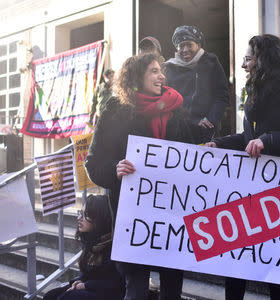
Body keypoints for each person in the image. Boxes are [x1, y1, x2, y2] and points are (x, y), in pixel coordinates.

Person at [205, 34, 280, 300]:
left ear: (264, 60)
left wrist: (269, 141)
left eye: (248, 58)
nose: (244, 65)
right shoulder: (255, 93)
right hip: (247, 197)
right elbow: (249, 139)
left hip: (276, 200)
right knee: (233, 267)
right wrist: (219, 144)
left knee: (273, 277)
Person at [85, 53, 193, 300]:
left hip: (171, 217)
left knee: (172, 290)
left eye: (161, 71)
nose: (161, 76)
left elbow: (191, 156)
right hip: (134, 220)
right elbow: (93, 162)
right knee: (135, 291)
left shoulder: (176, 111)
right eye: (154, 71)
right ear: (136, 77)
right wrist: (115, 169)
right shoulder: (114, 112)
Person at [43, 195, 125, 300]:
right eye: (80, 213)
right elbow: (86, 274)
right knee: (50, 296)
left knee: (67, 297)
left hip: (111, 293)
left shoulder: (114, 245)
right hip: (91, 287)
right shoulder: (90, 240)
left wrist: (85, 285)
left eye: (86, 215)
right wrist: (78, 282)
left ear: (100, 218)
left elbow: (118, 283)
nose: (79, 218)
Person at [164, 25, 229, 144]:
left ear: (198, 45)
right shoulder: (169, 68)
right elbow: (167, 102)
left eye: (189, 44)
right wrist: (194, 120)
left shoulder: (211, 62)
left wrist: (211, 120)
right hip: (178, 131)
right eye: (181, 45)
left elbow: (222, 95)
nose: (185, 49)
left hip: (207, 132)